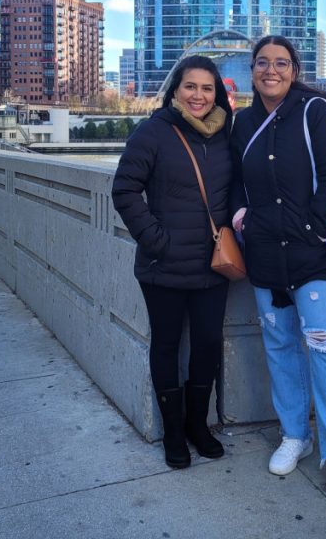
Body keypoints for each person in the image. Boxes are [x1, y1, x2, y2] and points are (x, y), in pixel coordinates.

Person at [229, 35, 326, 516]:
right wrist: (240, 216)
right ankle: (296, 435)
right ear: (252, 70)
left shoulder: (316, 113)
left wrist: (312, 228)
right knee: (280, 346)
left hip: (313, 258)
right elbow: (233, 182)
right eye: (263, 63)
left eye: (281, 63)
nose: (272, 70)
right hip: (265, 256)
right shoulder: (242, 122)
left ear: (294, 70)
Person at [111, 56, 234, 469]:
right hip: (162, 266)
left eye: (207, 88)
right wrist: (157, 241)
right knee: (166, 346)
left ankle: (198, 425)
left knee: (206, 344)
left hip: (213, 265)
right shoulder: (153, 132)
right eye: (190, 87)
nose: (198, 96)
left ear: (217, 93)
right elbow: (125, 189)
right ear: (176, 90)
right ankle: (174, 432)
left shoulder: (225, 134)